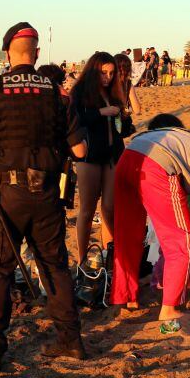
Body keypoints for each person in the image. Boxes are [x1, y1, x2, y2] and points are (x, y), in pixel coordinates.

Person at [0, 22, 88, 369]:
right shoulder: (58, 93)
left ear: (6, 54)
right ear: (38, 54)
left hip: (6, 194)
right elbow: (79, 149)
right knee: (54, 267)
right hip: (47, 192)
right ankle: (70, 340)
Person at [111, 114, 190, 324]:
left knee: (127, 234)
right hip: (158, 163)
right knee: (182, 240)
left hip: (129, 154)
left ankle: (125, 298)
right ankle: (169, 308)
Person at [70, 52, 133, 271]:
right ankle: (81, 259)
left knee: (109, 208)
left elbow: (123, 129)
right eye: (103, 73)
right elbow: (73, 119)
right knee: (87, 209)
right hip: (89, 156)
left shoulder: (115, 92)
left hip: (113, 154)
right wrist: (101, 112)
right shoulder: (80, 93)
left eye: (111, 73)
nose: (107, 77)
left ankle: (110, 254)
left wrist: (123, 118)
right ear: (93, 71)